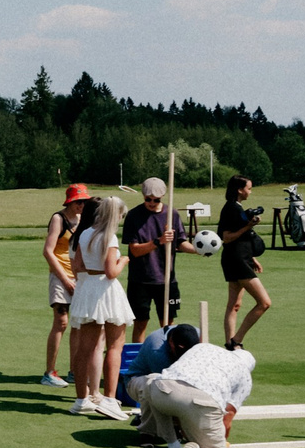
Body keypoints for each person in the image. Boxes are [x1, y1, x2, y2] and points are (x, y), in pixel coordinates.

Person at [128, 325, 252, 448]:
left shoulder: (204, 347)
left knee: (153, 383)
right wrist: (217, 443)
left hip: (163, 389)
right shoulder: (246, 377)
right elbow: (226, 418)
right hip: (202, 401)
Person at [69, 195, 136, 419]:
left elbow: (77, 266)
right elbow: (111, 272)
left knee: (84, 349)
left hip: (88, 289)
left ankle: (81, 399)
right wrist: (124, 260)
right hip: (106, 291)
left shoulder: (85, 233)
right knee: (115, 346)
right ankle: (109, 398)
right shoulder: (110, 238)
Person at [124, 177, 195, 335]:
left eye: (155, 199)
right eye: (148, 199)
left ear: (162, 196)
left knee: (168, 324)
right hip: (140, 279)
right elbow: (134, 250)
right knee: (141, 322)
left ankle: (167, 357)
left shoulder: (172, 214)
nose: (151, 202)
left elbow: (181, 242)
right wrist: (159, 241)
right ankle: (141, 358)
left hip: (167, 279)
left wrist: (198, 250)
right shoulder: (133, 216)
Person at [40, 184, 91, 387]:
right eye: (78, 201)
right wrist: (65, 279)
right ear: (70, 202)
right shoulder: (58, 219)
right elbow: (48, 251)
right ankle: (49, 372)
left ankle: (74, 370)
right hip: (60, 275)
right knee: (61, 322)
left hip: (78, 275)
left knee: (77, 325)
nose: (82, 205)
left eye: (84, 201)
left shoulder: (83, 220)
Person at [218, 175, 275, 349]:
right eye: (249, 188)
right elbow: (226, 238)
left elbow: (239, 240)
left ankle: (230, 344)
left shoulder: (236, 208)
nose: (250, 191)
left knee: (235, 305)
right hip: (236, 261)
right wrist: (248, 226)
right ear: (240, 190)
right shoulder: (231, 209)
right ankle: (237, 340)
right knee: (264, 302)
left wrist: (252, 258)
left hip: (240, 259)